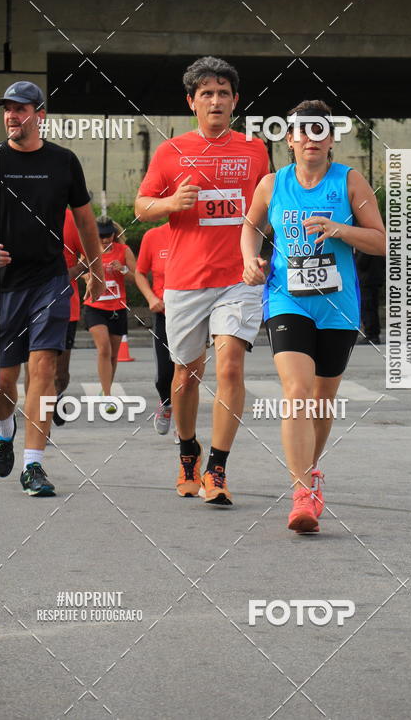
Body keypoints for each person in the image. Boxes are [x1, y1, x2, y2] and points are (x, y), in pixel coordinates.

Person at [241, 100, 386, 533]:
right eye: (301, 132)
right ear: (289, 139)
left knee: (321, 398)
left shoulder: (350, 181)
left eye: (318, 131)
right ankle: (302, 491)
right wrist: (251, 259)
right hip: (288, 299)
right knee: (297, 390)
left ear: (331, 139)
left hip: (338, 305)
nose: (310, 139)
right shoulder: (272, 184)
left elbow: (380, 240)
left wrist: (337, 228)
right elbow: (250, 226)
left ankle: (312, 470)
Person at [134, 56, 269, 506]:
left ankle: (217, 468)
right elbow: (140, 207)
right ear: (192, 102)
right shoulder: (170, 152)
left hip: (239, 276)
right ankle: (188, 450)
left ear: (235, 101)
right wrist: (171, 202)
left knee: (230, 365)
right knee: (187, 375)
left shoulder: (254, 150)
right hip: (187, 281)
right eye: (206, 93)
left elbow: (265, 210)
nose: (216, 100)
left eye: (224, 93)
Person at [0, 80, 103, 497]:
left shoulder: (64, 161)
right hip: (1, 286)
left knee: (43, 370)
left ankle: (34, 466)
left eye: (20, 108)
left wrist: (95, 271)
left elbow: (85, 221)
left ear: (39, 115)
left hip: (49, 281)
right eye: (7, 109)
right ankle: (4, 427)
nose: (12, 115)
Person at [24, 208, 87, 426]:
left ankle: (56, 395)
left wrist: (68, 274)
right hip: (30, 303)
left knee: (60, 374)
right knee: (35, 367)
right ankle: (38, 423)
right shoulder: (23, 211)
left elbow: (90, 254)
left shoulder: (73, 217)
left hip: (65, 304)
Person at [83, 219, 136, 411]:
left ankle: (106, 388)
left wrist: (122, 269)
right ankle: (107, 396)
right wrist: (88, 277)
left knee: (113, 355)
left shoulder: (124, 250)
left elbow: (136, 276)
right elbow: (80, 270)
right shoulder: (88, 250)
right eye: (101, 237)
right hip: (95, 307)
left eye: (109, 236)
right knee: (104, 348)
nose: (105, 240)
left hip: (117, 308)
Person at [134, 222, 174, 436]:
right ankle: (166, 403)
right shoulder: (153, 236)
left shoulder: (198, 232)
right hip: (163, 313)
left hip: (191, 313)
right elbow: (139, 273)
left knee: (187, 374)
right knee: (164, 375)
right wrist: (151, 298)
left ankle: (185, 428)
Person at [355, 252, 386, 345]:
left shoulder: (365, 247)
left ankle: (371, 335)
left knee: (367, 308)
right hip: (374, 278)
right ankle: (373, 334)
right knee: (372, 307)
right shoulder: (375, 244)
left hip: (366, 279)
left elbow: (361, 263)